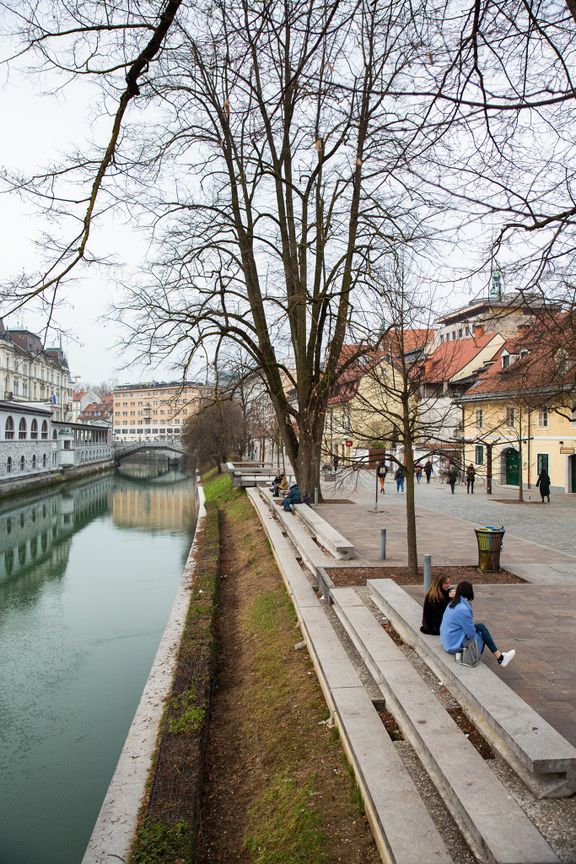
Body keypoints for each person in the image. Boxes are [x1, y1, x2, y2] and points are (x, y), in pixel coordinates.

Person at [440, 581, 515, 667]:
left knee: (481, 627)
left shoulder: (452, 603)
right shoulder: (463, 609)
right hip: (453, 644)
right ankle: (500, 658)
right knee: (482, 632)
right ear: (469, 592)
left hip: (448, 639)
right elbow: (471, 634)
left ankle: (500, 657)